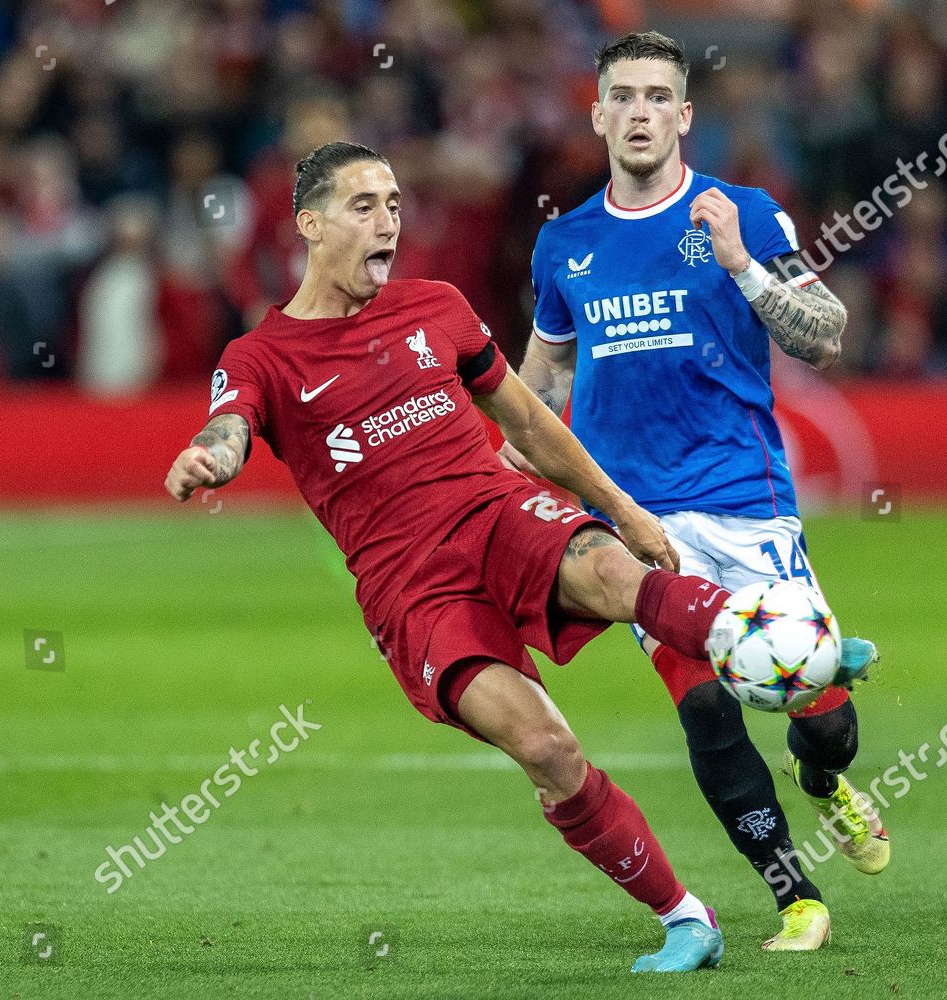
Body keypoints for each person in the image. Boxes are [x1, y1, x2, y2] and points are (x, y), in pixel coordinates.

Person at [164, 140, 742, 973]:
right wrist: (211, 457)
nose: (388, 222)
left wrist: (621, 508)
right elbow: (230, 425)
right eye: (365, 207)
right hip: (412, 589)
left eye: (395, 205)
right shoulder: (261, 357)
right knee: (547, 750)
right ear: (310, 224)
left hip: (497, 511)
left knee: (618, 573)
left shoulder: (436, 306)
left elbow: (530, 425)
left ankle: (788, 645)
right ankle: (687, 918)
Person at [508, 31, 886, 953]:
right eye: (622, 97)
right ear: (598, 115)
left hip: (744, 497)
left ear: (685, 116)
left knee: (823, 719)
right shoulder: (566, 245)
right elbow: (544, 374)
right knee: (706, 710)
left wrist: (742, 267)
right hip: (638, 520)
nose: (639, 112)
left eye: (657, 97)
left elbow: (825, 334)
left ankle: (826, 778)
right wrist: (516, 454)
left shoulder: (743, 214)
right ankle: (797, 899)